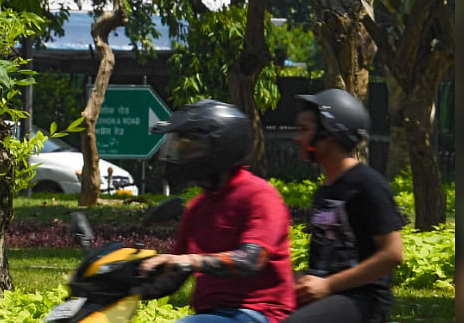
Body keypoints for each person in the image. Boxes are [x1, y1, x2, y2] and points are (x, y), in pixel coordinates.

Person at [139, 100, 295, 323]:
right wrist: (125, 281)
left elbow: (250, 260)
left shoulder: (259, 195)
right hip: (212, 316)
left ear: (222, 146)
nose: (180, 152)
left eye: (191, 145)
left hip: (259, 314)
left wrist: (187, 260)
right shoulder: (198, 207)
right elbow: (173, 279)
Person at [285, 89, 404, 323]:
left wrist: (329, 284)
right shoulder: (326, 190)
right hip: (328, 294)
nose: (296, 139)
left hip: (363, 299)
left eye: (304, 130)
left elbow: (393, 253)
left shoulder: (368, 184)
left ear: (329, 133)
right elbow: (323, 262)